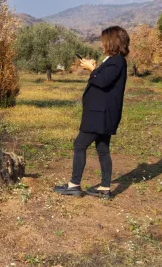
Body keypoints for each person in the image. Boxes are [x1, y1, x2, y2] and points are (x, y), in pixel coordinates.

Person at [53, 26, 129, 199]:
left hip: (99, 114)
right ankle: (104, 188)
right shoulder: (112, 60)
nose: (101, 43)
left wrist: (91, 70)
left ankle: (74, 185)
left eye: (103, 40)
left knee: (80, 145)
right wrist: (95, 68)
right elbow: (105, 79)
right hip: (101, 113)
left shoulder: (117, 61)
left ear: (112, 41)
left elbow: (102, 81)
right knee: (102, 148)